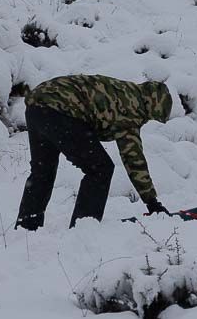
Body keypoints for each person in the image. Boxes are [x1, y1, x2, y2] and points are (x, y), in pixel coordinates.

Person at [15, 74, 173, 230]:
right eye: (152, 117)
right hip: (61, 112)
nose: (147, 121)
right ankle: (83, 229)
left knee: (42, 171)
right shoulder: (133, 108)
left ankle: (27, 228)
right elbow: (133, 159)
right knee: (100, 169)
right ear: (152, 105)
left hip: (36, 107)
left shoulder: (124, 90)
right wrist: (152, 202)